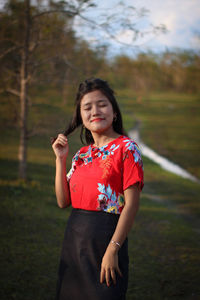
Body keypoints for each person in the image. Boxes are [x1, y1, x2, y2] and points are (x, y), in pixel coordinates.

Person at [52, 78, 144, 300]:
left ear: (114, 112)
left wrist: (112, 250)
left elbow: (131, 204)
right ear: (82, 117)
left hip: (107, 239)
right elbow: (63, 201)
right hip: (74, 242)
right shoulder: (82, 154)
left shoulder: (127, 148)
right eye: (87, 107)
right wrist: (60, 159)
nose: (95, 111)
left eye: (102, 104)